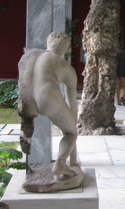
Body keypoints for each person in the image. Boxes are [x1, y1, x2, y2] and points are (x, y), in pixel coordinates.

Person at [18, 31, 79, 180]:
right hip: (47, 99)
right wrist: (73, 123)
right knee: (70, 133)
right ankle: (60, 163)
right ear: (66, 49)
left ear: (47, 44)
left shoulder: (32, 55)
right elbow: (72, 103)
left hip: (26, 100)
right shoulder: (65, 66)